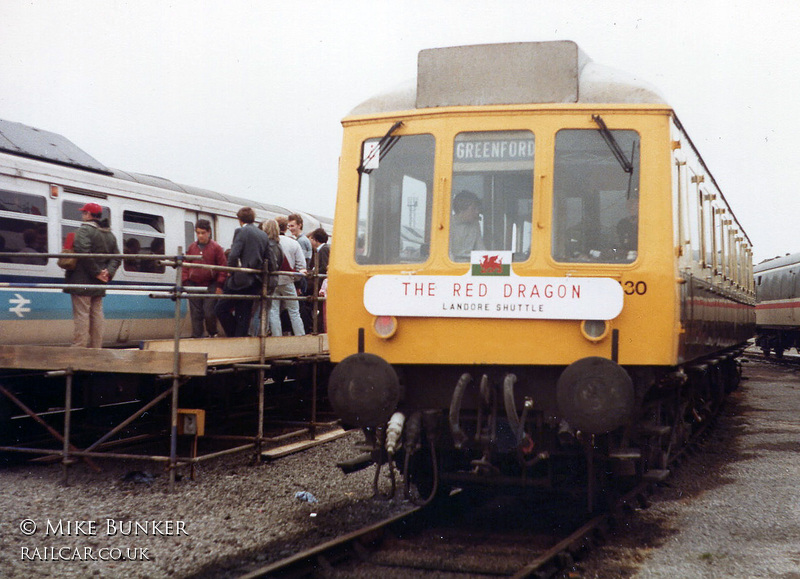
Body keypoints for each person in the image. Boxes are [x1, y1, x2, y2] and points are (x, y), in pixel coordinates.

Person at [64, 202, 121, 348]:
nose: (82, 215)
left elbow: (83, 252)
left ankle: (79, 347)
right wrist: (107, 272)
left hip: (82, 281)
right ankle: (96, 347)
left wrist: (97, 273)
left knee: (82, 314)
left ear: (88, 215)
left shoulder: (84, 231)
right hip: (99, 282)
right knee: (96, 314)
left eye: (84, 213)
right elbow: (117, 257)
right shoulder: (109, 234)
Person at [215, 207, 269, 337]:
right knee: (243, 313)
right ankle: (240, 339)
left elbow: (233, 254)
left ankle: (234, 335)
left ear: (239, 219)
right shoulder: (263, 235)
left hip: (239, 279)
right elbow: (268, 258)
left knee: (220, 309)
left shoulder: (241, 231)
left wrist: (231, 271)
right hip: (255, 280)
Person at [182, 219, 227, 338]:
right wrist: (185, 281)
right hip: (193, 283)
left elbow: (223, 267)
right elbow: (186, 264)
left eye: (203, 233)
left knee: (209, 311)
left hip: (211, 284)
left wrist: (219, 285)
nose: (200, 236)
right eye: (198, 233)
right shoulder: (192, 247)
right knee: (195, 313)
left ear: (209, 232)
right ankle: (197, 335)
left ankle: (212, 333)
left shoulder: (216, 248)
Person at [268, 216, 306, 337]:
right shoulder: (293, 243)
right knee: (294, 311)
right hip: (288, 280)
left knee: (273, 311)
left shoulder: (269, 243)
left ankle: (277, 338)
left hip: (272, 282)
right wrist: (295, 279)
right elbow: (302, 265)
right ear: (286, 227)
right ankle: (300, 337)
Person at [449, 190, 485, 260]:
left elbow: (480, 248)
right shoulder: (448, 225)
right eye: (474, 208)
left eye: (478, 209)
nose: (477, 212)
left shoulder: (475, 224)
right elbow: (448, 254)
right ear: (461, 209)